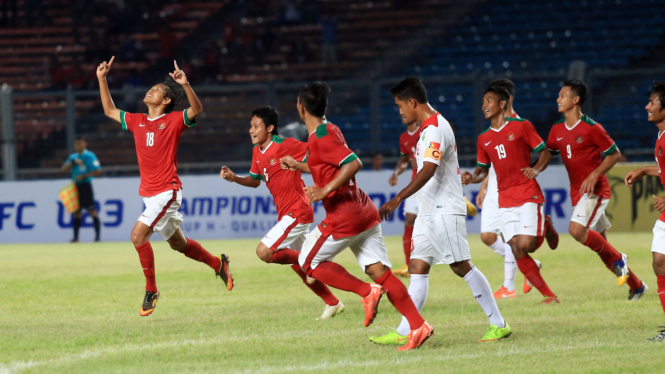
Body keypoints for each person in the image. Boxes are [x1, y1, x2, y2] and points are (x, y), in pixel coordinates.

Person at [280, 81, 432, 351]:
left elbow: (353, 163)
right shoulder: (329, 130)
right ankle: (418, 326)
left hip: (345, 214)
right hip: (364, 212)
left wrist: (323, 190)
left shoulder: (322, 136)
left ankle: (366, 293)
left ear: (300, 108)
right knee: (381, 273)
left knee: (307, 262)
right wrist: (299, 165)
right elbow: (327, 165)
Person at [371, 77, 510, 346]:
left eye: (400, 106)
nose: (399, 111)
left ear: (412, 102)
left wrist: (398, 198)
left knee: (460, 266)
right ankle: (405, 329)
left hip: (444, 210)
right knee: (417, 267)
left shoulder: (435, 128)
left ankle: (498, 324)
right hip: (428, 211)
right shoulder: (427, 128)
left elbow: (428, 169)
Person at [96, 56, 234, 317]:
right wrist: (102, 79)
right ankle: (218, 264)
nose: (151, 91)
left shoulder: (173, 120)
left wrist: (185, 84)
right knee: (178, 245)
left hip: (167, 191)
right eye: (152, 89)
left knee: (137, 237)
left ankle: (151, 290)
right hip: (150, 195)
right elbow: (109, 111)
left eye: (157, 90)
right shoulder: (137, 121)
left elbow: (197, 109)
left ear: (166, 101)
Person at [220, 106, 343, 320]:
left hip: (297, 211)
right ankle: (333, 303)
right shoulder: (257, 151)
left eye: (255, 126)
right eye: (250, 126)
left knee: (264, 252)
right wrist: (234, 178)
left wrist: (306, 169)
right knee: (298, 265)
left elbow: (316, 153)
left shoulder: (285, 144)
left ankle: (358, 287)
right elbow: (255, 182)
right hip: (287, 213)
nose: (251, 130)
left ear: (269, 128)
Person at [546, 80, 645, 299]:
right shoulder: (556, 129)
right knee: (602, 248)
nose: (557, 99)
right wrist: (535, 167)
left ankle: (621, 258)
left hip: (596, 192)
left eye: (562, 95)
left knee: (576, 231)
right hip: (577, 193)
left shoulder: (592, 128)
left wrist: (594, 174)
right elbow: (548, 150)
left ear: (575, 100)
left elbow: (615, 154)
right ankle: (637, 285)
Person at [462, 85, 559, 304]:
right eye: (483, 101)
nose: (484, 105)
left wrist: (536, 169)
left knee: (527, 245)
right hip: (504, 199)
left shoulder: (522, 126)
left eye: (489, 100)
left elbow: (545, 151)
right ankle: (549, 296)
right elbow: (482, 170)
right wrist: (472, 178)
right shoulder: (484, 138)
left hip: (526, 193)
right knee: (514, 247)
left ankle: (546, 225)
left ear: (503, 104)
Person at [624, 81, 665, 341]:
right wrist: (644, 171)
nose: (647, 106)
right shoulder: (661, 136)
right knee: (659, 261)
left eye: (652, 102)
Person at [389, 119, 420, 278]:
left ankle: (459, 203)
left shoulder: (426, 131)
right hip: (415, 183)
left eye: (403, 108)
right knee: (409, 220)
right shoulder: (403, 138)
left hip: (430, 183)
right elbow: (404, 160)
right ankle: (409, 265)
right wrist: (396, 173)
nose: (401, 113)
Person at [61, 136, 102, 242]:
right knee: (76, 212)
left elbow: (98, 171)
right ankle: (75, 238)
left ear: (85, 144)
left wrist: (84, 176)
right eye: (76, 144)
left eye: (80, 143)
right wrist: (72, 162)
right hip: (76, 186)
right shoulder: (73, 157)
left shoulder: (90, 156)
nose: (78, 146)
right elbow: (63, 169)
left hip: (86, 185)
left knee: (92, 211)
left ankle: (97, 238)